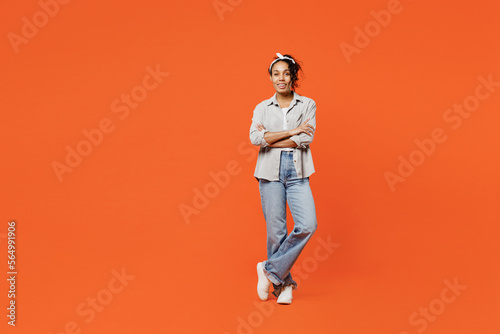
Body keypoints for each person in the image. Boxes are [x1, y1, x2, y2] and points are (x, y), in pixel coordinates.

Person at [249, 53, 318, 305]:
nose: (281, 78)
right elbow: (255, 139)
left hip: (298, 170)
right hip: (269, 172)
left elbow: (305, 139)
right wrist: (292, 131)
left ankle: (268, 270)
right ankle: (285, 285)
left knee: (308, 224)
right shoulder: (261, 108)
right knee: (276, 231)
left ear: (292, 77)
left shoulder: (308, 104)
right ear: (270, 77)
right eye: (276, 73)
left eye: (286, 73)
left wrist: (272, 137)